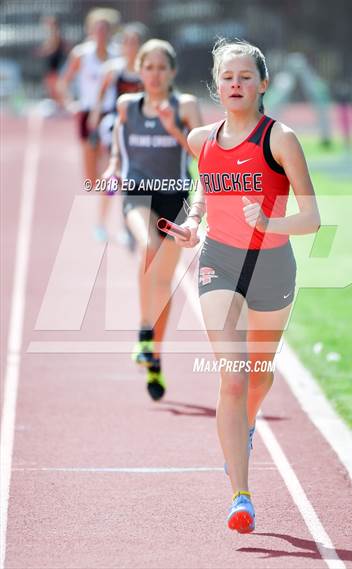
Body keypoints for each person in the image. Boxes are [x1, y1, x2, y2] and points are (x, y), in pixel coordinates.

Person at [175, 38, 320, 533]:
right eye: (226, 77)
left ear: (263, 84)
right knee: (234, 376)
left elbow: (313, 219)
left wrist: (270, 222)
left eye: (244, 77)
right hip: (219, 263)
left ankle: (246, 428)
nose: (234, 85)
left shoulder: (280, 139)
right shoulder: (202, 139)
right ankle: (241, 494)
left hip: (273, 267)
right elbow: (204, 185)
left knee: (260, 376)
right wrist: (194, 222)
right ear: (215, 86)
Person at [103, 39, 202, 400]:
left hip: (175, 197)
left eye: (162, 68)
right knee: (149, 247)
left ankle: (154, 355)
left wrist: (172, 127)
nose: (155, 74)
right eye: (149, 67)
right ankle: (145, 334)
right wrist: (114, 167)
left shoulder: (185, 105)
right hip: (138, 195)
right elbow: (119, 146)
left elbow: (202, 152)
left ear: (172, 71)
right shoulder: (127, 106)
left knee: (164, 283)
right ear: (139, 70)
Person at [59, 7, 120, 242]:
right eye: (98, 28)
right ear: (91, 30)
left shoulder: (118, 55)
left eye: (106, 28)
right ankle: (101, 204)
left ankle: (106, 216)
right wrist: (69, 103)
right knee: (91, 176)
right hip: (86, 114)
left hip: (111, 113)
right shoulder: (82, 54)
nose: (102, 32)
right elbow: (64, 81)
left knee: (111, 168)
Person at [88, 22, 147, 248]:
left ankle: (127, 226)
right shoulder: (113, 69)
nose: (130, 46)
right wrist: (95, 116)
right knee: (114, 177)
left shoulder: (147, 70)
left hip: (140, 130)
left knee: (132, 179)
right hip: (116, 127)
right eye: (126, 41)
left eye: (134, 42)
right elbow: (100, 95)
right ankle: (101, 224)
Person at [37, 15, 68, 107]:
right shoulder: (51, 34)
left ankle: (60, 105)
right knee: (51, 86)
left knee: (55, 86)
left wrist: (45, 51)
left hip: (55, 63)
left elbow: (53, 48)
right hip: (51, 64)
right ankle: (57, 104)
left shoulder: (56, 33)